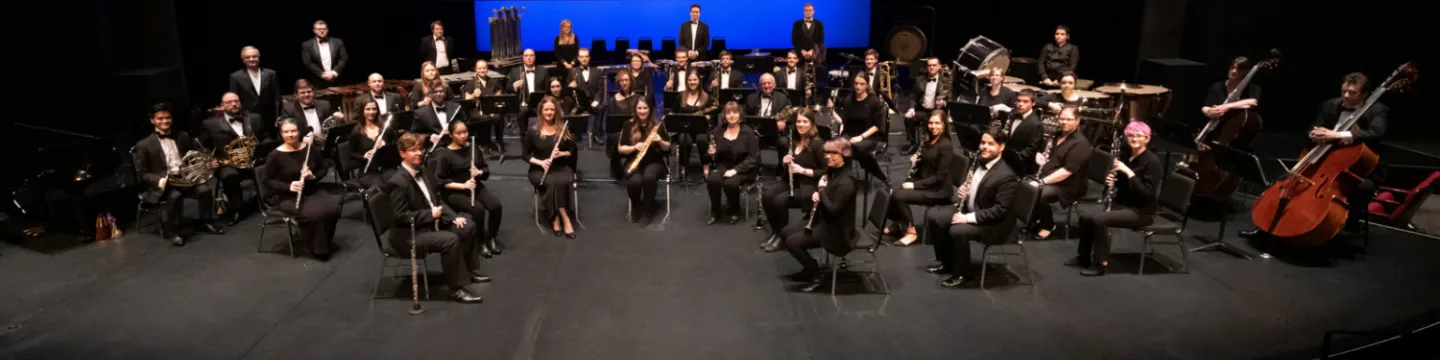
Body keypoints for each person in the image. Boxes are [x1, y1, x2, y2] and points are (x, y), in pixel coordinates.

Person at [1241, 72, 1387, 239]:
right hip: (1323, 160)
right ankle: (1266, 228)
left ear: (1364, 94)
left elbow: (1376, 133)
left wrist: (1339, 135)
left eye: (1352, 93)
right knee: (1285, 180)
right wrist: (1314, 134)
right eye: (1344, 91)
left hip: (1356, 168)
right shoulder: (1331, 105)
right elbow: (1311, 129)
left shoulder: (1377, 110)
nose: (1346, 96)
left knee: (1360, 188)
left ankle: (1343, 228)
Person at [383, 132, 486, 304]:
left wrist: (452, 217)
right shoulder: (397, 182)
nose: (419, 153)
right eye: (413, 150)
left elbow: (436, 199)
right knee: (450, 240)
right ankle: (455, 289)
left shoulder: (422, 170)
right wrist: (429, 215)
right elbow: (400, 217)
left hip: (428, 224)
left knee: (467, 226)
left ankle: (467, 271)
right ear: (402, 153)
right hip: (408, 235)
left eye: (420, 149)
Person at [923, 130, 1018, 287]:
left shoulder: (1006, 176)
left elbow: (999, 211)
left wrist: (966, 218)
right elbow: (977, 188)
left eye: (990, 144)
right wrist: (964, 192)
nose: (984, 147)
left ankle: (961, 273)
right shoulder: (978, 161)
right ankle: (948, 262)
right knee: (934, 216)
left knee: (957, 230)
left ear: (1001, 147)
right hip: (973, 210)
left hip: (995, 225)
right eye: (983, 143)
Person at [1071, 122, 1162, 276]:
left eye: (1139, 136)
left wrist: (1128, 172)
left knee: (1099, 219)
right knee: (1086, 216)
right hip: (1122, 203)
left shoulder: (1152, 162)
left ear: (1147, 139)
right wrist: (1113, 181)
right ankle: (1083, 256)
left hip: (1141, 212)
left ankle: (1101, 263)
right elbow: (1123, 184)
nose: (1134, 139)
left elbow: (1147, 194)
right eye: (1130, 135)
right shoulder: (1127, 156)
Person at [135, 103, 224, 247]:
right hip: (166, 182)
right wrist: (160, 180)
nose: (165, 121)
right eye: (160, 119)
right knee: (174, 196)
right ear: (152, 120)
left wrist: (208, 163)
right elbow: (142, 173)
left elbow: (193, 157)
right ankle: (174, 231)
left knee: (205, 190)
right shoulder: (144, 145)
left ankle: (206, 222)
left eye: (168, 118)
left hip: (186, 178)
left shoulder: (182, 136)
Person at [780, 138, 857, 292]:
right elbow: (827, 193)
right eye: (826, 152)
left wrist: (821, 192)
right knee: (784, 232)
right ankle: (809, 269)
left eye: (833, 153)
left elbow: (834, 210)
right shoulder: (833, 171)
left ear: (845, 155)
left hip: (837, 231)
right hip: (825, 220)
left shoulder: (847, 182)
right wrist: (819, 192)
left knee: (792, 242)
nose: (828, 156)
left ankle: (816, 274)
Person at [262, 118, 342, 260]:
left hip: (312, 190)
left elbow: (323, 168)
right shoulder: (275, 155)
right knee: (315, 214)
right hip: (287, 197)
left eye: (293, 131)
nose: (290, 134)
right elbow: (266, 181)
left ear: (299, 132)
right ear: (281, 134)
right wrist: (288, 186)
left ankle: (324, 242)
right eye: (286, 132)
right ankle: (316, 248)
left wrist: (313, 176)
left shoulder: (310, 148)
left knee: (334, 208)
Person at [429, 121, 504, 258]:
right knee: (478, 210)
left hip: (475, 186)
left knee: (495, 206)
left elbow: (485, 169)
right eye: (459, 133)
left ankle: (492, 237)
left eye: (465, 132)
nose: (463, 136)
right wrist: (463, 185)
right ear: (451, 135)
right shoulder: (444, 154)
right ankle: (480, 242)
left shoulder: (473, 148)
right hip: (454, 191)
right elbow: (440, 181)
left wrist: (479, 173)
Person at [761, 109, 826, 251]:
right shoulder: (794, 140)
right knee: (767, 196)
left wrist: (803, 170)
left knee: (779, 201)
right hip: (792, 181)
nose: (801, 125)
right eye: (798, 121)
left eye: (805, 122)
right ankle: (776, 231)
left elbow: (826, 172)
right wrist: (785, 162)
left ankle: (782, 236)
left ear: (812, 123)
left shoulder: (817, 144)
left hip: (808, 186)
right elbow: (789, 165)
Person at [888, 111, 955, 246]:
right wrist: (917, 160)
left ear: (944, 125)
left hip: (939, 190)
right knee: (893, 190)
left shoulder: (946, 146)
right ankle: (899, 223)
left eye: (937, 123)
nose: (933, 126)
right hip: (927, 182)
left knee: (899, 196)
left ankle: (911, 232)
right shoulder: (928, 140)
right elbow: (928, 163)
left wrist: (914, 186)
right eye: (931, 123)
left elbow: (939, 177)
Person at [197, 92, 261, 225]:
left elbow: (264, 138)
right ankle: (237, 209)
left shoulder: (254, 119)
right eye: (229, 102)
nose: (234, 104)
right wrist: (210, 159)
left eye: (236, 101)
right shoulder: (210, 124)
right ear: (222, 106)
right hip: (228, 163)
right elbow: (202, 146)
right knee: (229, 175)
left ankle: (265, 201)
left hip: (253, 160)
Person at [1031, 105, 1092, 239]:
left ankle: (1048, 224)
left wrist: (1041, 182)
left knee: (1037, 193)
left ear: (1077, 121)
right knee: (1022, 185)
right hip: (1052, 177)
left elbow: (1066, 171)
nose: (1064, 122)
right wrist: (1040, 156)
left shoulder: (1081, 144)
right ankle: (1034, 217)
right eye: (1062, 119)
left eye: (1069, 119)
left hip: (1069, 185)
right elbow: (1052, 155)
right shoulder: (1058, 135)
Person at [523, 96, 578, 238]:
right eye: (546, 109)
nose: (549, 112)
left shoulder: (563, 129)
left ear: (556, 111)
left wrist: (562, 153)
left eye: (552, 109)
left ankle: (556, 217)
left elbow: (572, 151)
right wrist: (540, 162)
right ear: (541, 110)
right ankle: (564, 218)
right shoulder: (533, 131)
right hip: (539, 170)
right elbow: (525, 155)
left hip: (560, 167)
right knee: (553, 182)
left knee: (563, 180)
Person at [827, 72, 889, 184]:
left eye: (861, 84)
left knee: (854, 147)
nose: (858, 87)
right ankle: (834, 178)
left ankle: (880, 177)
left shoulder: (873, 101)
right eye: (856, 83)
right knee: (832, 146)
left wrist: (860, 137)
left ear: (867, 85)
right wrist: (832, 111)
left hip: (869, 136)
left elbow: (877, 126)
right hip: (850, 134)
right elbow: (842, 121)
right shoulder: (848, 99)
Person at [618, 98, 671, 227]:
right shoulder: (628, 125)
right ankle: (636, 206)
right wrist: (634, 147)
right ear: (635, 110)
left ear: (650, 109)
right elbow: (620, 149)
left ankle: (648, 211)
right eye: (639, 108)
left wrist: (660, 141)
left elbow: (668, 147)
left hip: (655, 161)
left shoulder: (658, 125)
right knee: (634, 182)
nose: (642, 111)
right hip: (635, 161)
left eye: (645, 108)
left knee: (649, 177)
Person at [706, 102, 760, 224]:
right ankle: (716, 211)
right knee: (712, 180)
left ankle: (734, 210)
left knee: (730, 183)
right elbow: (713, 157)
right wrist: (711, 153)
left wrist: (735, 171)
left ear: (740, 114)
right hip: (723, 165)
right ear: (724, 116)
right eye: (728, 113)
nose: (731, 115)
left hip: (743, 168)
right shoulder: (717, 131)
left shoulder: (748, 133)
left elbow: (752, 158)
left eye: (734, 112)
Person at [1198, 56, 1263, 151]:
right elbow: (1206, 105)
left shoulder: (1253, 88)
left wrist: (1226, 107)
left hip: (1232, 140)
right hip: (1213, 130)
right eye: (1232, 67)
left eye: (1239, 69)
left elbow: (1252, 102)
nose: (1234, 71)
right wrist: (1209, 111)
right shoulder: (1217, 86)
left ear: (1245, 72)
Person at [229, 46, 280, 140]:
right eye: (248, 57)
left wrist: (277, 117)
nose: (252, 59)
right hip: (249, 119)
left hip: (270, 118)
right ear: (243, 60)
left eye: (254, 56)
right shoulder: (236, 77)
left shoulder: (270, 74)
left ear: (259, 57)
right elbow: (234, 99)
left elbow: (277, 98)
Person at [345, 99, 397, 190]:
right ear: (362, 111)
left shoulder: (385, 128)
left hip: (386, 168)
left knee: (396, 184)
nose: (371, 112)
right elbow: (350, 153)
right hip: (368, 171)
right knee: (380, 189)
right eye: (368, 109)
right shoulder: (356, 131)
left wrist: (386, 144)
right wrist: (364, 156)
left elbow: (396, 145)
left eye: (374, 109)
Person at [674, 72, 717, 179]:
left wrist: (709, 117)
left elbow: (714, 113)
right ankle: (683, 166)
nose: (692, 82)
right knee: (685, 140)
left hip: (701, 129)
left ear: (699, 81)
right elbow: (673, 112)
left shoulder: (706, 96)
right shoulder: (681, 96)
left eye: (695, 80)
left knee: (702, 139)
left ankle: (706, 165)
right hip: (685, 129)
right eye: (690, 80)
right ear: (686, 81)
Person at [462, 60, 506, 151]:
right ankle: (484, 142)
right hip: (476, 109)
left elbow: (498, 94)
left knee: (499, 117)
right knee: (484, 118)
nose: (482, 70)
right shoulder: (471, 83)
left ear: (487, 69)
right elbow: (466, 99)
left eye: (484, 68)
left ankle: (499, 141)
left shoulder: (493, 82)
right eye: (479, 68)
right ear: (476, 70)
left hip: (491, 108)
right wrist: (474, 95)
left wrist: (493, 108)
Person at [1001, 90, 1046, 175]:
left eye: (1025, 101)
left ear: (1033, 103)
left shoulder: (1036, 124)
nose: (1020, 104)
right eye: (1018, 101)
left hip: (1022, 166)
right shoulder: (1014, 115)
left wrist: (1012, 159)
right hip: (1006, 161)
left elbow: (1031, 150)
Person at [905, 58, 945, 151]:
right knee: (908, 118)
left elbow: (949, 97)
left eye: (934, 65)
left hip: (936, 111)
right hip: (922, 110)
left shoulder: (945, 80)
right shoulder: (919, 79)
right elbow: (913, 96)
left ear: (939, 66)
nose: (931, 67)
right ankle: (913, 143)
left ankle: (932, 144)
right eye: (929, 65)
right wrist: (911, 109)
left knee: (932, 123)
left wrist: (943, 102)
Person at [412, 83, 466, 149]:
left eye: (441, 91)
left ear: (444, 93)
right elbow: (414, 134)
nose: (438, 94)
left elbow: (466, 124)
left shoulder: (456, 107)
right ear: (429, 94)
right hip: (435, 149)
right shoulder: (421, 113)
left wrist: (454, 129)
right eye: (435, 92)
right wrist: (429, 137)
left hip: (457, 145)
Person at [301, 20, 348, 89]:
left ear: (327, 30)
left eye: (324, 29)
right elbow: (307, 62)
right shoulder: (307, 45)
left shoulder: (338, 42)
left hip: (337, 80)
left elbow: (344, 58)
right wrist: (322, 74)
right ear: (314, 31)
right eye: (319, 29)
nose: (322, 31)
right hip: (318, 81)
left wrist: (334, 72)